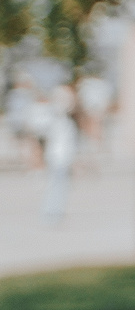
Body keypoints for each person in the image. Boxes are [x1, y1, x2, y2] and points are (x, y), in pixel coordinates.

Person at [38, 85, 77, 228]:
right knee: (56, 185)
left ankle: (55, 211)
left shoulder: (65, 119)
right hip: (58, 157)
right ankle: (51, 211)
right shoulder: (56, 117)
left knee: (60, 185)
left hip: (61, 157)